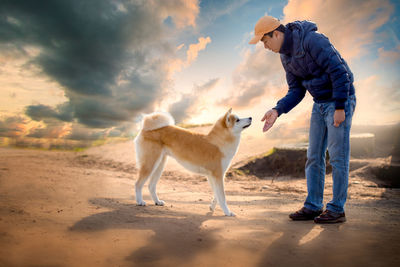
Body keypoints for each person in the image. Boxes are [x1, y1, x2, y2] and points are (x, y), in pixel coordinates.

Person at [249, 16, 356, 223]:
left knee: (337, 156)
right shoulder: (285, 56)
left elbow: (340, 72)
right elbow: (296, 90)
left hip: (339, 100)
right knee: (314, 156)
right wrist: (277, 110)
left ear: (276, 34)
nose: (265, 47)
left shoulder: (312, 40)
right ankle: (313, 205)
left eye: (265, 41)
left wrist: (341, 107)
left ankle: (337, 209)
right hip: (320, 103)